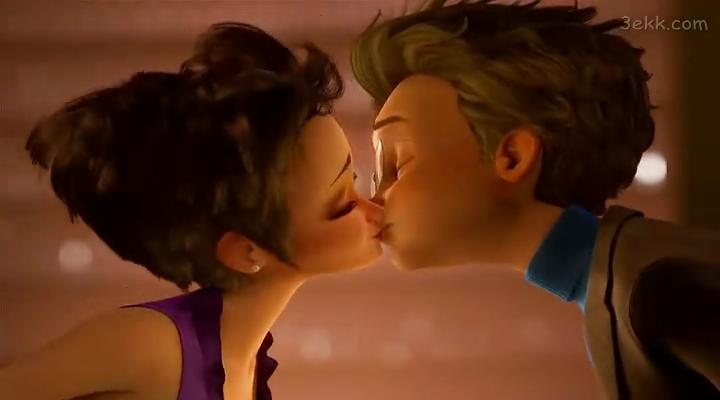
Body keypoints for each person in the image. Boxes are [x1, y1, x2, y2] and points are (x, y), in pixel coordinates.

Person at [351, 1, 720, 399]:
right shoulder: (618, 280)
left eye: (398, 164)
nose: (375, 198)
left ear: (512, 157)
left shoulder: (654, 290)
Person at [0, 22, 383, 400]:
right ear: (246, 250)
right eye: (343, 204)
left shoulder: (243, 365)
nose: (374, 208)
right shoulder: (151, 345)